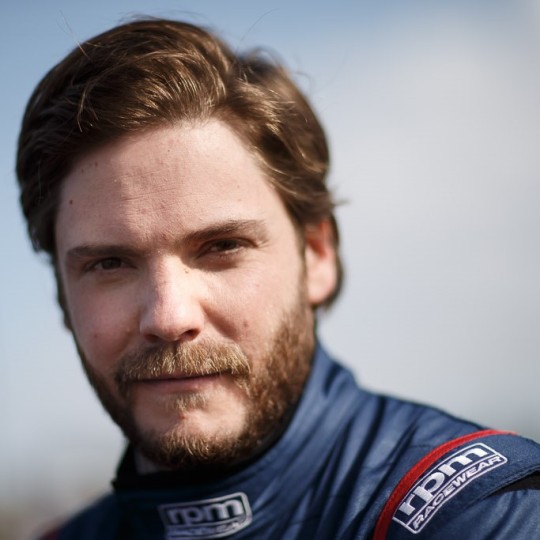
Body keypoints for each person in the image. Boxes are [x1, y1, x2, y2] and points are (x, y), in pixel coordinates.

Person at [16, 18, 540, 540]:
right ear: (62, 293)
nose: (170, 317)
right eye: (109, 263)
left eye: (223, 247)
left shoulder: (477, 516)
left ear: (317, 256)